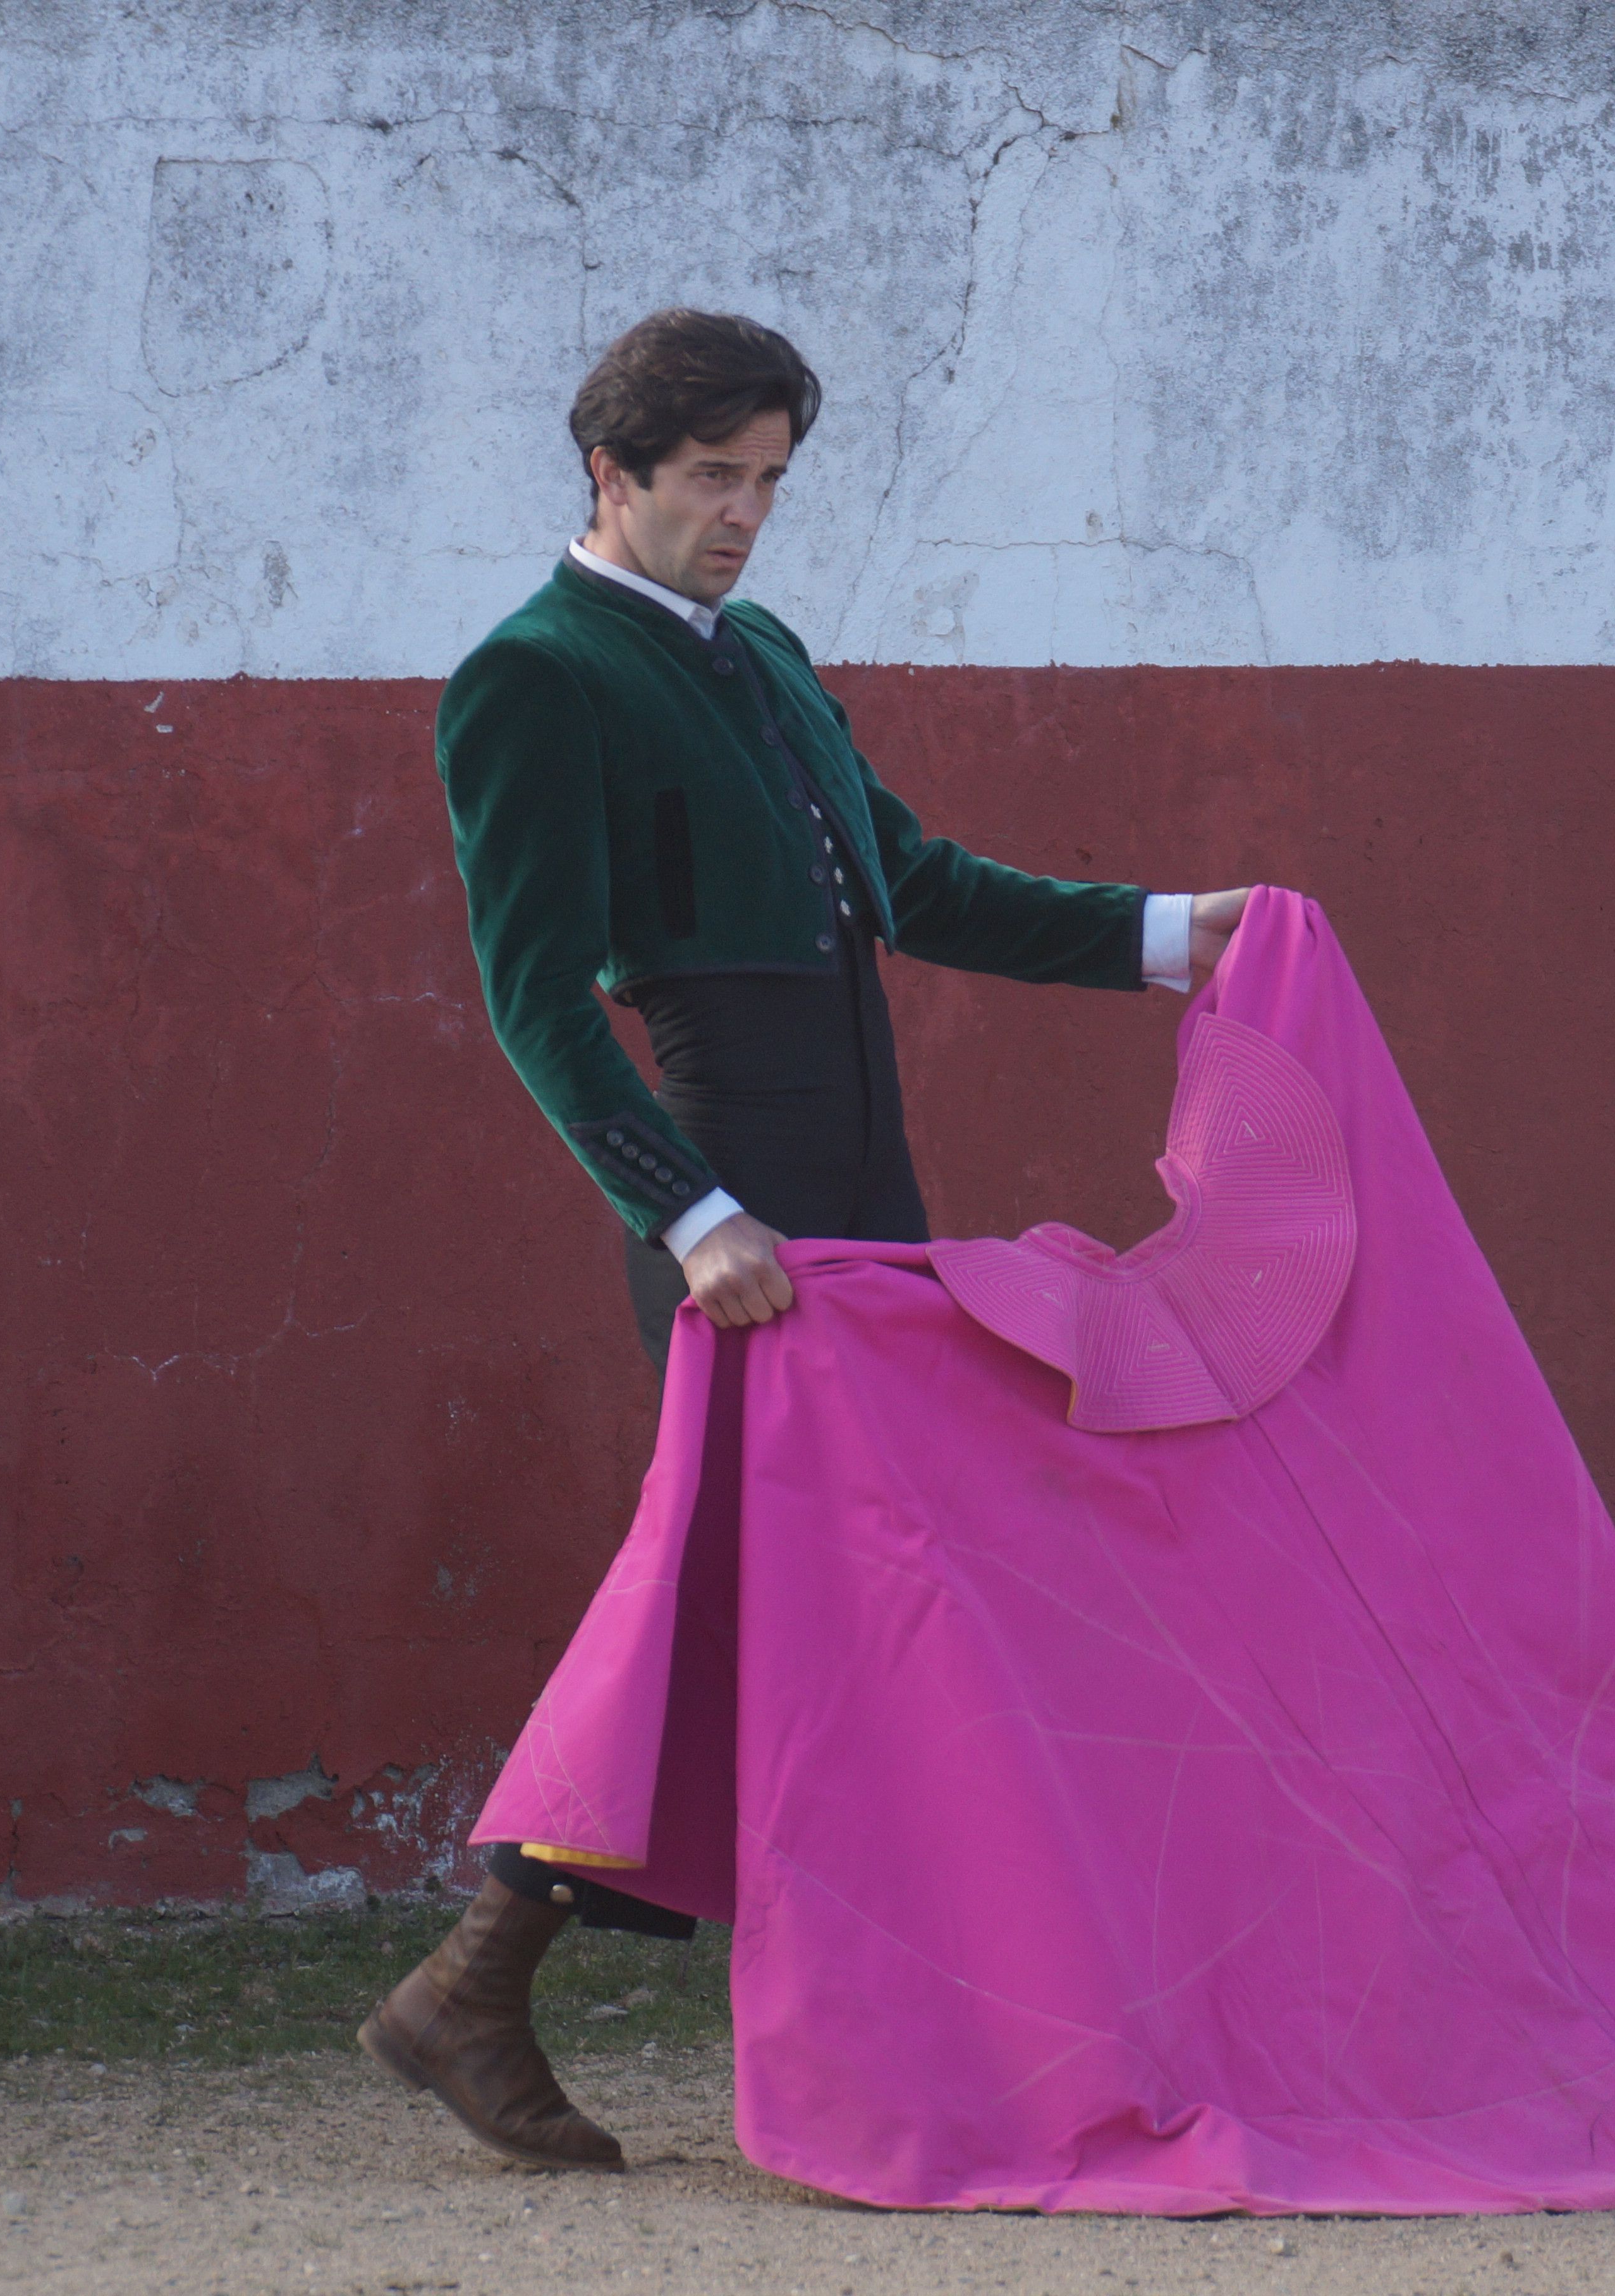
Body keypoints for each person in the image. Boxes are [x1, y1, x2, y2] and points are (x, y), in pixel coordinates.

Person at [356, 307, 1248, 2170]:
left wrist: (1180, 936)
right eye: (711, 480)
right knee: (786, 1614)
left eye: (769, 479)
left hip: (864, 1206)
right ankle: (503, 1987)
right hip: (731, 1209)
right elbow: (535, 1000)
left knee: (836, 1620)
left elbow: (911, 886)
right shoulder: (530, 678)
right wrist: (688, 1215)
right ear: (612, 474)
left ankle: (483, 1988)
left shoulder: (758, 651)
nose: (747, 514)